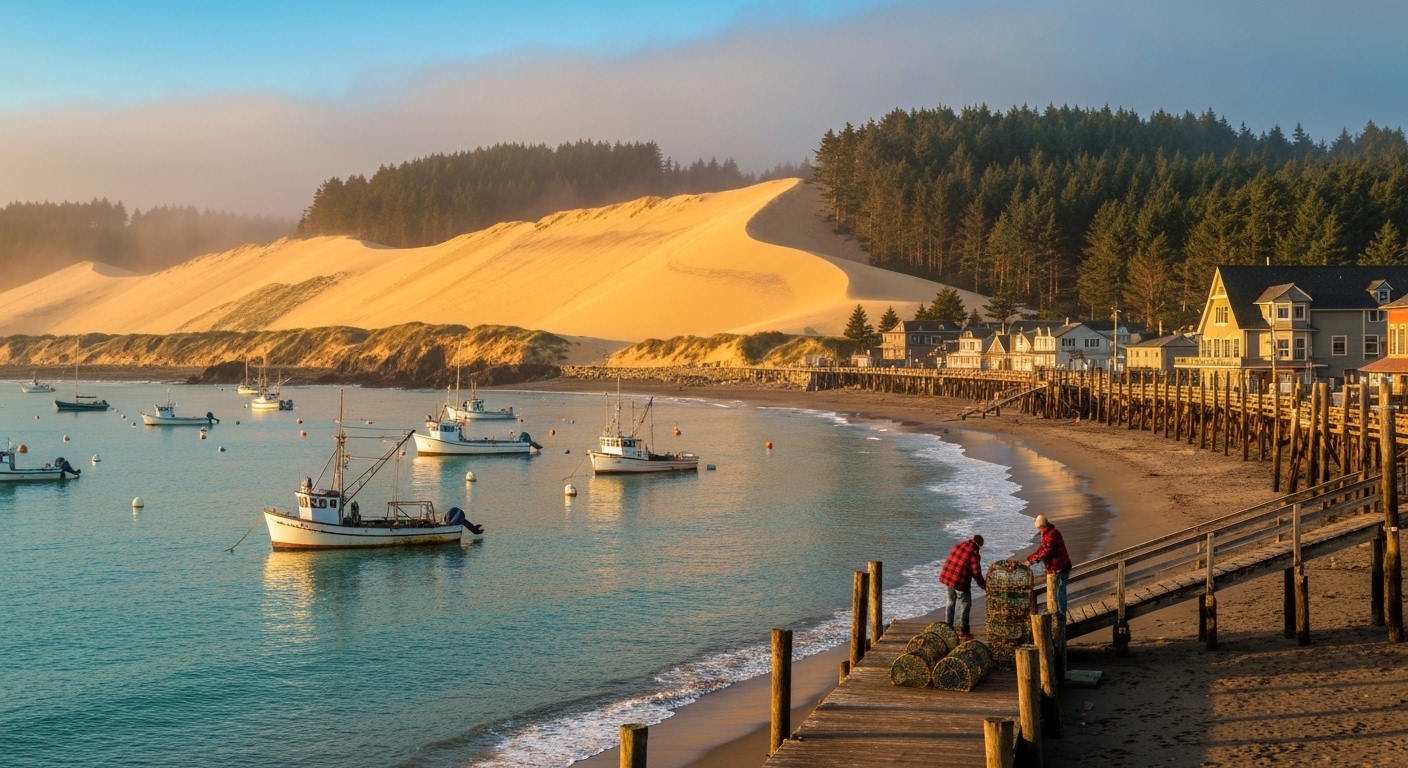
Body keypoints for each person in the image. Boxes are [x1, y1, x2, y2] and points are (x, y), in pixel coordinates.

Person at [939, 535, 987, 640]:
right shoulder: (973, 552)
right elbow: (976, 573)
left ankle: (948, 627)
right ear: (979, 544)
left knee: (950, 602)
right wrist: (985, 587)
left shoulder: (959, 545)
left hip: (948, 578)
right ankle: (964, 630)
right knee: (965, 604)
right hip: (960, 581)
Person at [1027, 514, 1072, 614]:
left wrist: (1034, 560)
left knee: (1059, 590)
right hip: (1056, 567)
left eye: (1040, 528)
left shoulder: (1051, 534)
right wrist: (1031, 557)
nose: (1039, 530)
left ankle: (1061, 613)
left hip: (1060, 567)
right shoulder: (1048, 532)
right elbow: (1042, 549)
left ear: (1042, 526)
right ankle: (1057, 611)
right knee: (1056, 590)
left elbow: (1047, 551)